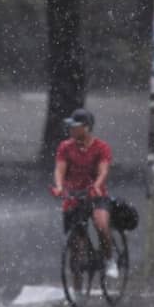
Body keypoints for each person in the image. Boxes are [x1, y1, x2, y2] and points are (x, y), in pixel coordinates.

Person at [51, 108, 119, 278]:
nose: (71, 130)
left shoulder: (101, 147)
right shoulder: (65, 147)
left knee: (101, 224)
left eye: (76, 127)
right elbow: (60, 169)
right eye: (71, 127)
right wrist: (59, 186)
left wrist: (97, 185)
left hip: (96, 194)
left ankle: (110, 259)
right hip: (73, 196)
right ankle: (77, 292)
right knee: (75, 248)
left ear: (87, 128)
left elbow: (103, 170)